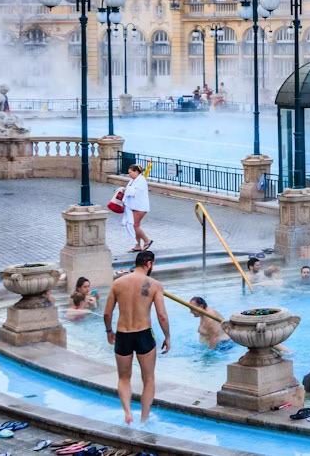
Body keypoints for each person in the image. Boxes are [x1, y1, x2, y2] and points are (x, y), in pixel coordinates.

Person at [103, 250, 170, 424]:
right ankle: (143, 418)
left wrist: (109, 331)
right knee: (148, 378)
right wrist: (167, 336)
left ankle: (127, 413)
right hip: (144, 334)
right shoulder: (154, 284)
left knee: (124, 378)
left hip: (123, 334)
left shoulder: (118, 283)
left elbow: (107, 314)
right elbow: (161, 315)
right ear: (149, 264)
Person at [122, 163, 153, 252]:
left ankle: (147, 240)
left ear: (136, 172)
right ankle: (137, 245)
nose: (129, 174)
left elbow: (132, 192)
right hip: (135, 206)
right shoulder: (134, 180)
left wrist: (126, 190)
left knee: (134, 226)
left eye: (130, 172)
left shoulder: (140, 180)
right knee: (136, 225)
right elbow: (130, 190)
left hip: (140, 207)